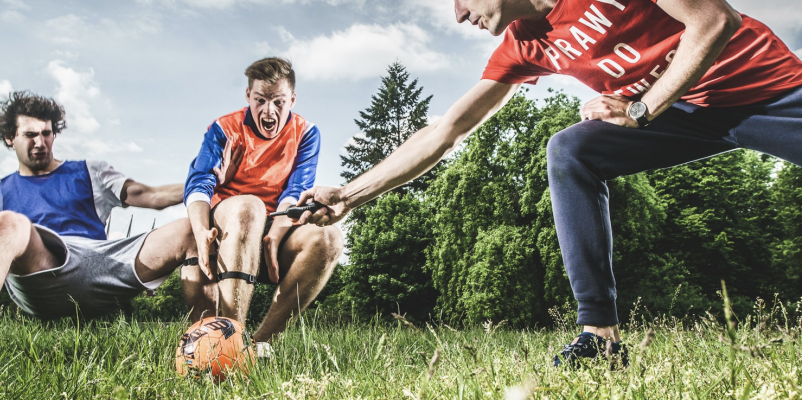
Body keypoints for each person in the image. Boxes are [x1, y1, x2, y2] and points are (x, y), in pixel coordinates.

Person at [296, 0, 802, 368]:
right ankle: (599, 338)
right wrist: (350, 194)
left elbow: (715, 19)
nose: (457, 14)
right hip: (684, 114)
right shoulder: (524, 44)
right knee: (571, 150)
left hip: (766, 90)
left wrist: (644, 107)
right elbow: (446, 130)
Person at [0, 91, 201, 366]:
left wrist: (207, 185)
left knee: (191, 228)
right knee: (8, 223)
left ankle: (209, 343)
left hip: (103, 262)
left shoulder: (90, 171)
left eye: (47, 133)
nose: (40, 143)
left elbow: (152, 196)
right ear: (10, 138)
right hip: (42, 274)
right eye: (30, 135)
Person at [183, 57, 343, 346]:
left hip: (275, 222)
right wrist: (200, 231)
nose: (269, 111)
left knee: (330, 238)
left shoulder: (307, 133)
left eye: (279, 102)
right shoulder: (223, 129)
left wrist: (278, 229)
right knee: (250, 208)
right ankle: (229, 343)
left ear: (292, 100)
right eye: (260, 100)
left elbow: (297, 190)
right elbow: (198, 182)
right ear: (248, 96)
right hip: (229, 221)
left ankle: (257, 346)